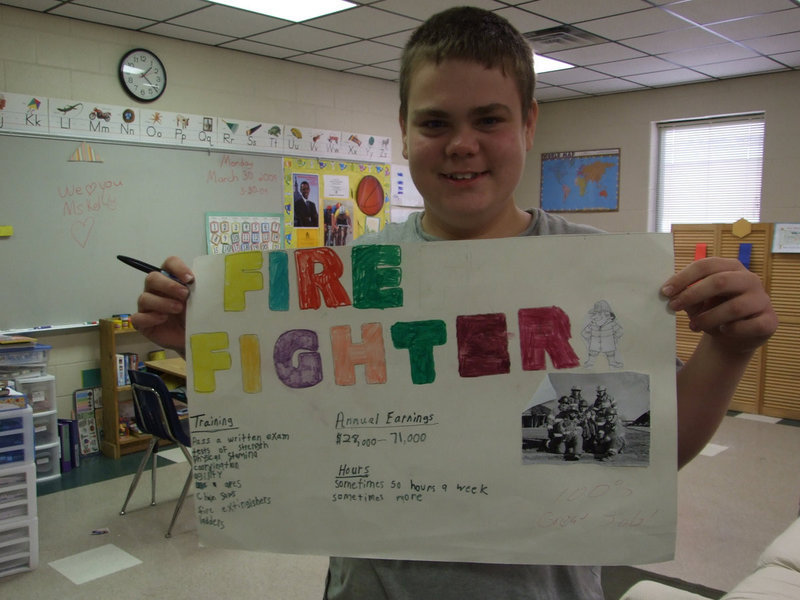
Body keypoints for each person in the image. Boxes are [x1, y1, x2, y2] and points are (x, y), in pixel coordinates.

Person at [131, 7, 778, 599]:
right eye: (435, 122)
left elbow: (642, 452)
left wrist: (730, 347)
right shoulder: (349, 280)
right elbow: (299, 428)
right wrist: (209, 338)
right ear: (405, 131)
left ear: (528, 122)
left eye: (489, 119)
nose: (461, 144)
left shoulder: (588, 279)